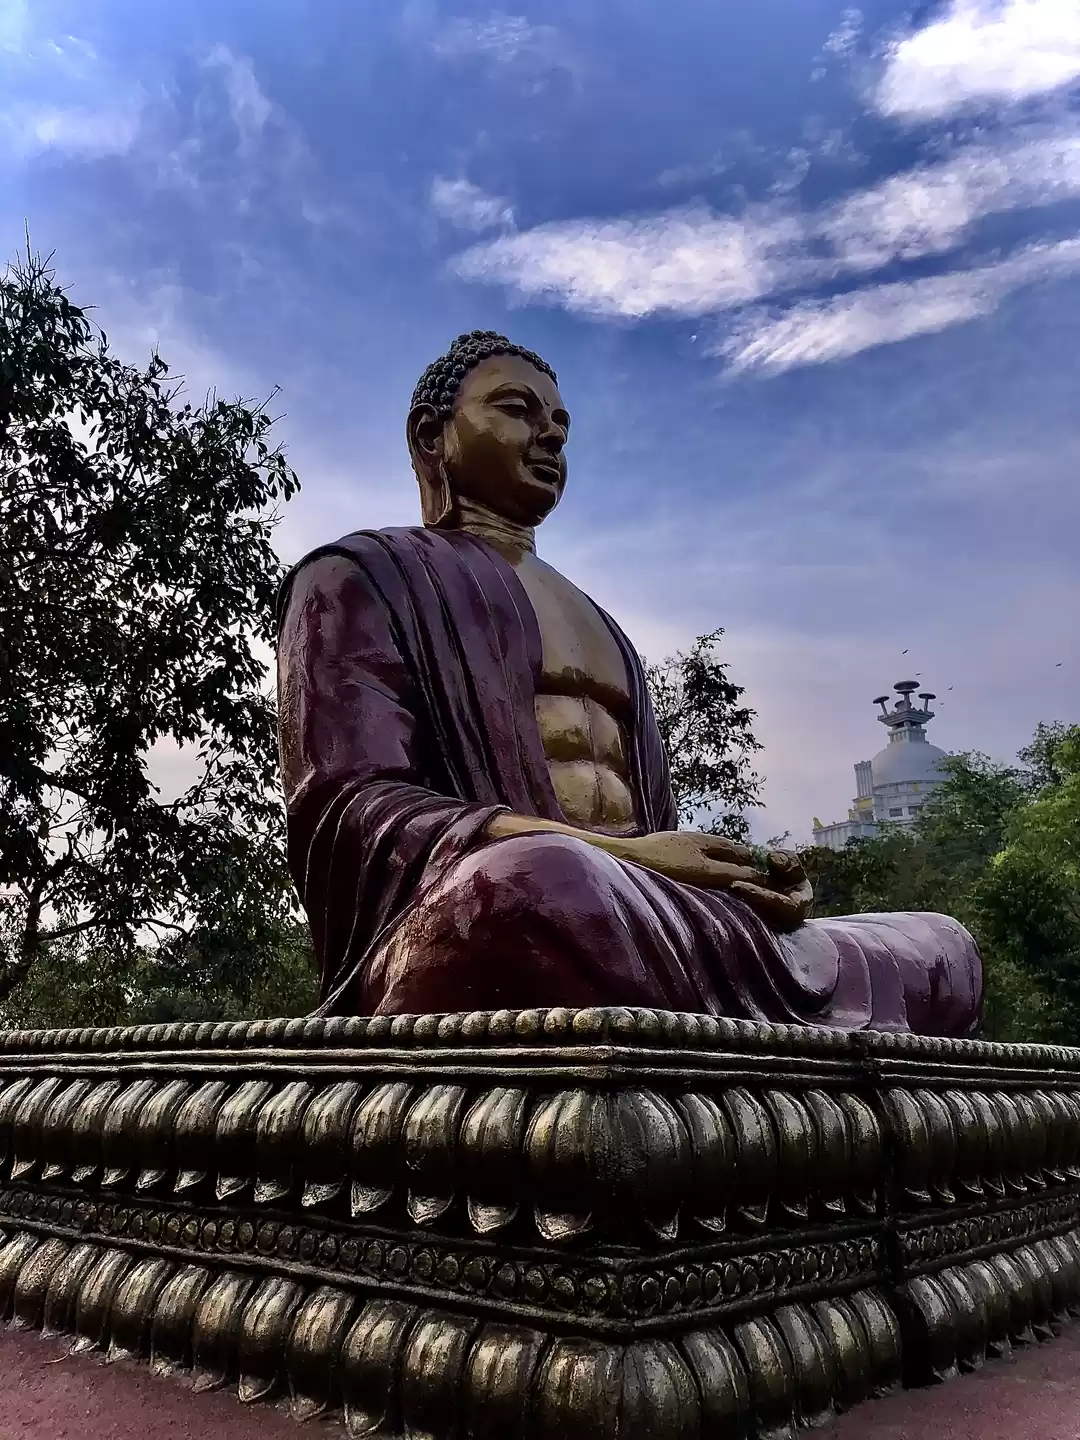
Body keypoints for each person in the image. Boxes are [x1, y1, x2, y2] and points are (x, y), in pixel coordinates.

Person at [276, 331, 982, 1033]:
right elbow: (348, 805)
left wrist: (741, 877)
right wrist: (617, 857)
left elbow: (656, 835)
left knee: (940, 947)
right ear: (432, 434)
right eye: (518, 410)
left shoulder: (602, 624)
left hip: (647, 915)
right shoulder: (359, 578)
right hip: (500, 906)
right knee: (537, 885)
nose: (549, 438)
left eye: (561, 426)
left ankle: (723, 1007)